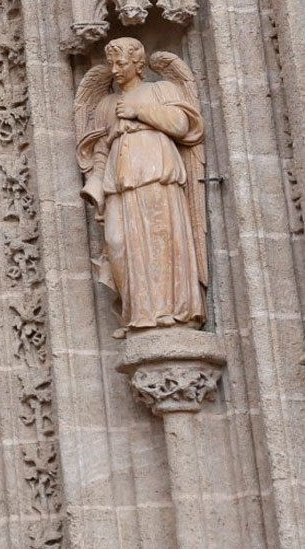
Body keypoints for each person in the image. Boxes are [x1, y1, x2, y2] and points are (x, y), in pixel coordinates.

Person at [75, 37, 207, 338]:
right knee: (119, 242)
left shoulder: (161, 89)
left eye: (121, 63)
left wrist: (140, 112)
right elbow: (100, 149)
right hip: (119, 181)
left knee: (162, 239)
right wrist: (96, 184)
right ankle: (137, 314)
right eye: (111, 63)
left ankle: (173, 315)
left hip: (157, 174)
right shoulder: (107, 103)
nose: (115, 69)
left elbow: (180, 125)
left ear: (138, 63)